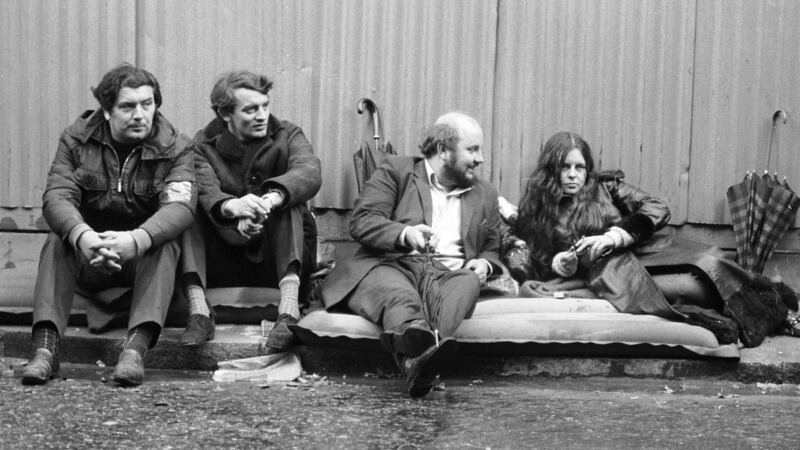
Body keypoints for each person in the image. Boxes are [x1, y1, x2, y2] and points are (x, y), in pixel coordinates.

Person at [504, 131, 797, 347]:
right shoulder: (536, 209)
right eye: (564, 168)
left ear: (587, 168)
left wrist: (615, 236)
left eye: (579, 167)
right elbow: (538, 262)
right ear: (550, 170)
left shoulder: (606, 188)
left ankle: (774, 311)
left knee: (712, 260)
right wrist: (561, 264)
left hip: (645, 250)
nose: (572, 175)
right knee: (691, 288)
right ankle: (758, 315)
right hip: (611, 273)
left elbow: (657, 207)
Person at [22, 64, 196, 386]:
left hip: (138, 261)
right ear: (106, 111)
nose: (140, 115)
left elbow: (180, 207)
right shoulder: (76, 140)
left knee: (166, 242)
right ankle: (45, 350)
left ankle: (134, 352)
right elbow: (57, 196)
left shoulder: (177, 147)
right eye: (128, 106)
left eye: (147, 104)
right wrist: (82, 236)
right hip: (90, 256)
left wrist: (137, 239)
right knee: (57, 239)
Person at [320, 112, 502, 397]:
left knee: (468, 281)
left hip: (446, 275)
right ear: (443, 150)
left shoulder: (485, 194)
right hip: (392, 265)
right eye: (473, 149)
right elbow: (363, 221)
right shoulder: (396, 171)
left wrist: (485, 263)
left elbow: (492, 247)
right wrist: (406, 235)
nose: (480, 159)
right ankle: (421, 357)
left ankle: (417, 359)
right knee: (400, 296)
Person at [179, 70, 321, 352]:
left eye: (265, 106)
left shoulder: (288, 134)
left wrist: (269, 200)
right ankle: (199, 313)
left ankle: (289, 311)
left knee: (289, 200)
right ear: (225, 114)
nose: (262, 115)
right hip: (224, 257)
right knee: (186, 205)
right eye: (251, 109)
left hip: (275, 259)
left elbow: (309, 171)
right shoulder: (200, 146)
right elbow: (207, 189)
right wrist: (233, 210)